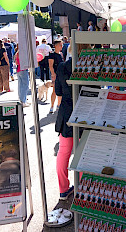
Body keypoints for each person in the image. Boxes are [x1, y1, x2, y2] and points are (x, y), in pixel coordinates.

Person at [55, 58, 74, 200]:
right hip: (87, 110)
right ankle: (82, 187)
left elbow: (58, 91)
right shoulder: (91, 66)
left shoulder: (62, 66)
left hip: (66, 112)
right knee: (82, 152)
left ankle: (63, 189)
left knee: (63, 152)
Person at [49, 40, 64, 113]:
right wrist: (53, 74)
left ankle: (59, 105)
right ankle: (52, 106)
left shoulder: (61, 54)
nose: (61, 46)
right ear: (56, 46)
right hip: (56, 74)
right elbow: (51, 66)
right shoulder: (52, 55)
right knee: (54, 90)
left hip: (61, 74)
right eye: (60, 45)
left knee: (60, 91)